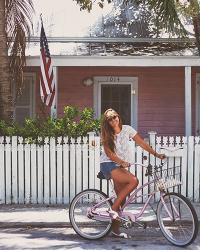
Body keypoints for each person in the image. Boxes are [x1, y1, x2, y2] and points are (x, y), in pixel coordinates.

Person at [100, 108, 165, 238]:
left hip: (119, 165)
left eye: (115, 117)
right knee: (133, 181)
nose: (114, 120)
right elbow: (109, 154)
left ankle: (115, 230)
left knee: (121, 199)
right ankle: (112, 210)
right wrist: (122, 162)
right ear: (107, 122)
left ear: (118, 116)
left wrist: (156, 154)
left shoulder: (127, 129)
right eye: (110, 119)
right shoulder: (107, 134)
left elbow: (141, 143)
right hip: (108, 164)